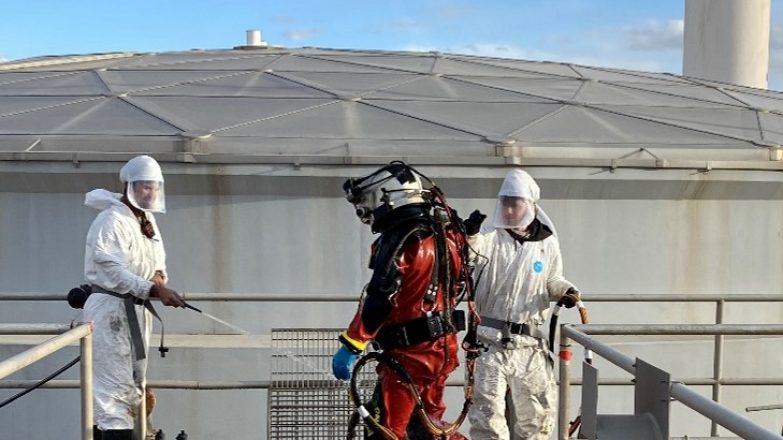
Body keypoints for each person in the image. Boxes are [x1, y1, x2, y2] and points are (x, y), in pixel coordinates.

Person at [331, 162, 469, 439]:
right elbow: (460, 285)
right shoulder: (447, 234)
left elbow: (381, 296)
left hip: (408, 357)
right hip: (443, 350)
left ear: (385, 197)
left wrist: (352, 343)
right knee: (429, 426)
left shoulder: (399, 239)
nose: (366, 212)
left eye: (367, 203)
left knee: (389, 430)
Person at [464, 168, 581, 440]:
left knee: (537, 416)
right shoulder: (490, 236)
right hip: (488, 342)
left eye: (514, 203)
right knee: (487, 416)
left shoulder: (546, 243)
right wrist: (469, 235)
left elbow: (552, 279)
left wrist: (566, 291)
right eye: (505, 202)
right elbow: (472, 255)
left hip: (529, 345)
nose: (508, 209)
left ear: (529, 205)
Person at [83, 155, 186, 440]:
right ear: (128, 185)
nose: (150, 193)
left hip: (137, 311)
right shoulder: (111, 220)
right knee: (111, 390)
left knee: (133, 386)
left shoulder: (146, 220)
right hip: (111, 310)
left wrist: (159, 281)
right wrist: (155, 290)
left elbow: (157, 264)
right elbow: (112, 270)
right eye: (144, 187)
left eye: (154, 187)